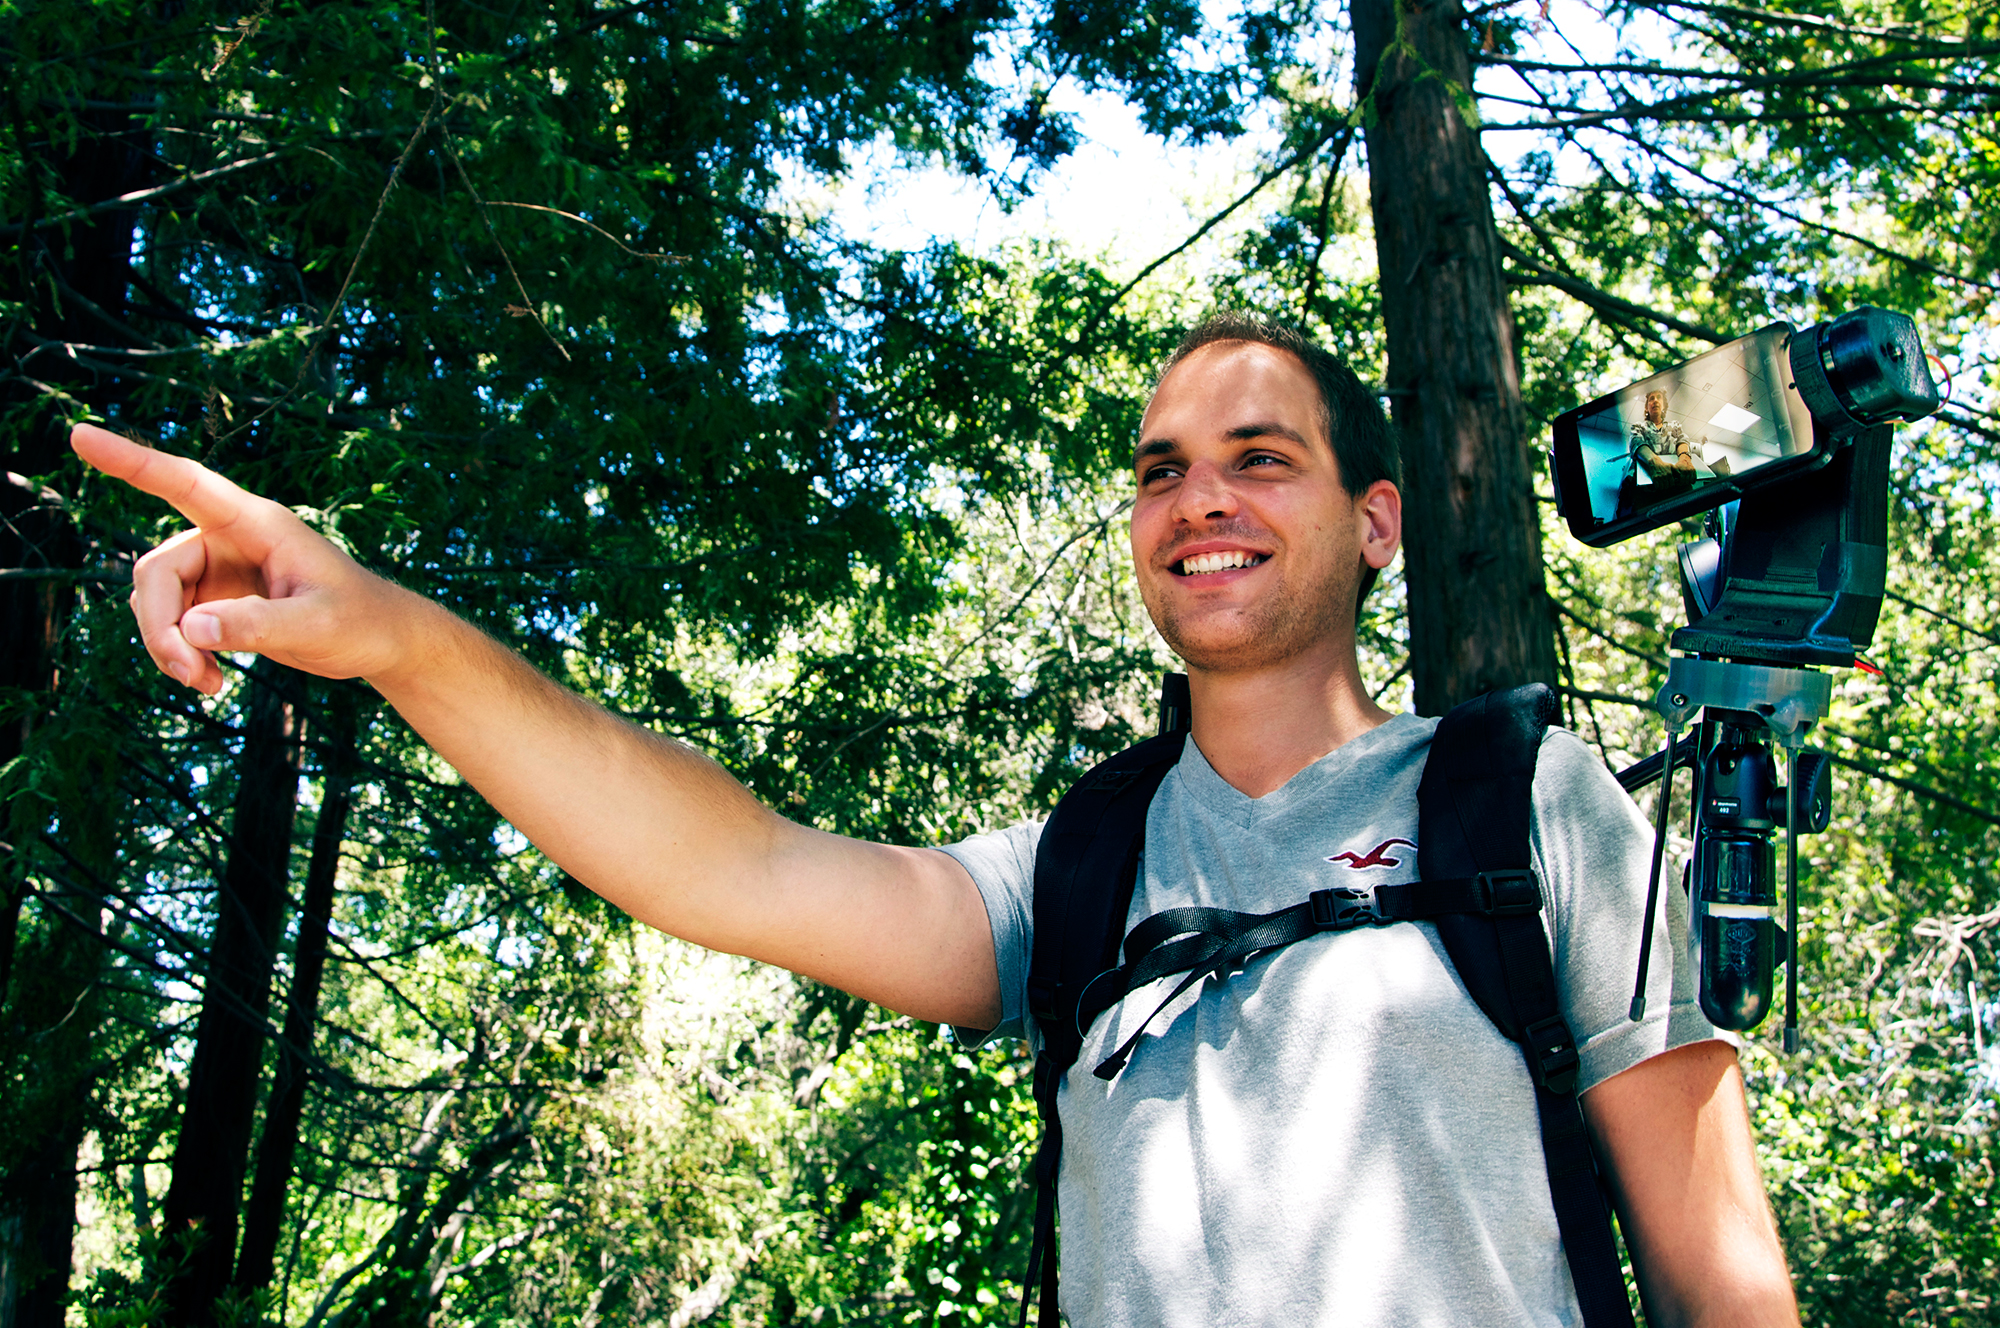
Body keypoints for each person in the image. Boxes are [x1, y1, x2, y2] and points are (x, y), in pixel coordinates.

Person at [71, 312, 1799, 1327]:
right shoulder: (1083, 868)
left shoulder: (1526, 801)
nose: (1197, 496)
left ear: (1376, 523)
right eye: (1159, 468)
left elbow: (1729, 1286)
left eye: (1260, 457)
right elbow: (731, 865)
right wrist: (392, 632)